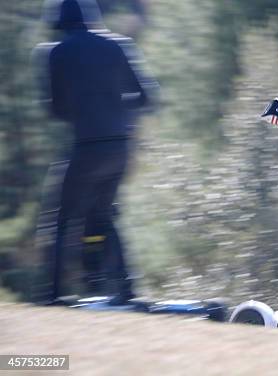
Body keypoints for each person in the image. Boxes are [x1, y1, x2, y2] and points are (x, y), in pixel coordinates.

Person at [33, 0, 158, 304]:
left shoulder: (54, 53)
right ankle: (126, 289)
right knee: (103, 215)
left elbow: (55, 109)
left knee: (63, 219)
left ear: (60, 23)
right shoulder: (117, 46)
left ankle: (51, 296)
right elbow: (146, 96)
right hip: (119, 147)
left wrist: (87, 111)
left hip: (87, 146)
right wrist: (113, 110)